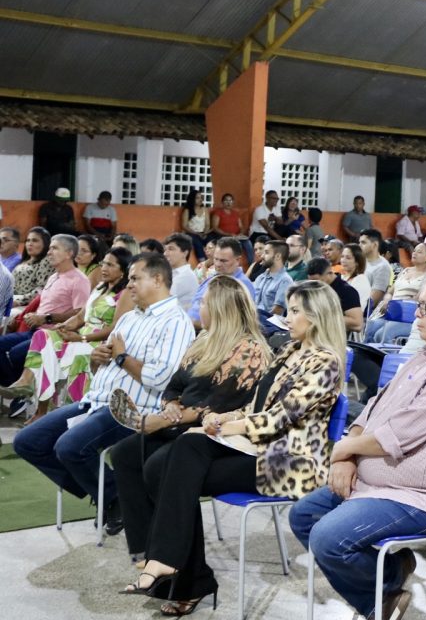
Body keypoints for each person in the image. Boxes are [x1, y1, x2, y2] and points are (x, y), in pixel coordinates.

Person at [122, 280, 343, 607]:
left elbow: (278, 419)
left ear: (316, 316)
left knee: (172, 469)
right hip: (257, 447)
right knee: (171, 458)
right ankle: (177, 569)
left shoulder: (325, 362)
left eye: (295, 311)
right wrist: (221, 419)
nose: (287, 317)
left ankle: (180, 573)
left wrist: (228, 427)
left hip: (289, 461)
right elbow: (257, 407)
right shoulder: (289, 351)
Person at [289, 268, 426, 620]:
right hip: (374, 481)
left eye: (425, 307)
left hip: (418, 495)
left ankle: (384, 591)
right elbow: (375, 407)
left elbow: (401, 435)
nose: (416, 314)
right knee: (303, 516)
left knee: (327, 538)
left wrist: (341, 450)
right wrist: (346, 457)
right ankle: (387, 587)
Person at [108, 275, 271, 594]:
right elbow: (176, 386)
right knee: (125, 454)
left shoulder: (250, 351)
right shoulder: (204, 341)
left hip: (220, 437)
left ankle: (187, 577)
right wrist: (169, 407)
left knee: (160, 467)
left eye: (204, 302)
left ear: (221, 308)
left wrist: (166, 420)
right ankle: (146, 552)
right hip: (184, 425)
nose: (199, 307)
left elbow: (221, 405)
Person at [13, 253, 195, 534]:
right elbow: (104, 367)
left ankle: (111, 495)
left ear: (158, 279)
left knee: (69, 447)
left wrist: (122, 359)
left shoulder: (175, 322)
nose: (130, 285)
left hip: (135, 408)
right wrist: (98, 359)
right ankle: (112, 495)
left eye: (135, 278)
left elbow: (162, 378)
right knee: (28, 441)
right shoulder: (129, 319)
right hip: (97, 400)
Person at [4, 248, 134, 419]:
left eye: (110, 265)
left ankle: (61, 411)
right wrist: (63, 327)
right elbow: (80, 316)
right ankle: (27, 384)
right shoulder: (101, 288)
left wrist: (81, 337)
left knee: (72, 353)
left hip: (100, 342)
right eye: (103, 263)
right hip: (81, 335)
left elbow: (115, 328)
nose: (104, 268)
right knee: (42, 336)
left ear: (123, 270)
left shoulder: (124, 294)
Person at [0, 235, 92, 389]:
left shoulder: (79, 280)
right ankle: (15, 389)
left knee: (17, 354)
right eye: (49, 248)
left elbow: (80, 313)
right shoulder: (54, 276)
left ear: (69, 253)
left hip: (54, 336)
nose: (49, 252)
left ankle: (20, 391)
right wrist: (33, 316)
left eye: (54, 248)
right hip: (35, 331)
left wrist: (46, 318)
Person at [186, 237, 255, 331]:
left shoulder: (242, 286)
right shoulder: (212, 278)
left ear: (238, 260)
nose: (217, 264)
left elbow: (233, 324)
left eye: (223, 261)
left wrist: (192, 322)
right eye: (216, 259)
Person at [307, 258, 365, 335]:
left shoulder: (347, 291)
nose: (314, 286)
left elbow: (357, 324)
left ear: (329, 273)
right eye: (311, 282)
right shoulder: (314, 288)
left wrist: (323, 318)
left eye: (317, 281)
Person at [11, 226, 53, 306]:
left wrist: (17, 302)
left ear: (45, 243)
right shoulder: (23, 261)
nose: (30, 244)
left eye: (35, 240)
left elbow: (41, 289)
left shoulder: (46, 261)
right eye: (28, 240)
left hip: (28, 305)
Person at [253, 240, 293, 320]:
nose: (262, 256)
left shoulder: (285, 280)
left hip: (269, 326)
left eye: (266, 253)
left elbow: (277, 311)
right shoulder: (261, 277)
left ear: (278, 256)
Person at [163, 234, 200, 311]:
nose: (165, 253)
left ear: (185, 253)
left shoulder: (186, 276)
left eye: (171, 249)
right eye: (165, 249)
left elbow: (161, 299)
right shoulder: (171, 272)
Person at [179, 188, 209, 260]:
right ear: (192, 199)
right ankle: (202, 261)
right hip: (191, 233)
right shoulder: (187, 210)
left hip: (202, 232)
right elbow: (184, 226)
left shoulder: (205, 209)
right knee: (197, 243)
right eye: (197, 198)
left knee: (212, 241)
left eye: (201, 197)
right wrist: (196, 233)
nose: (200, 199)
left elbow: (207, 224)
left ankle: (214, 261)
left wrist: (205, 233)